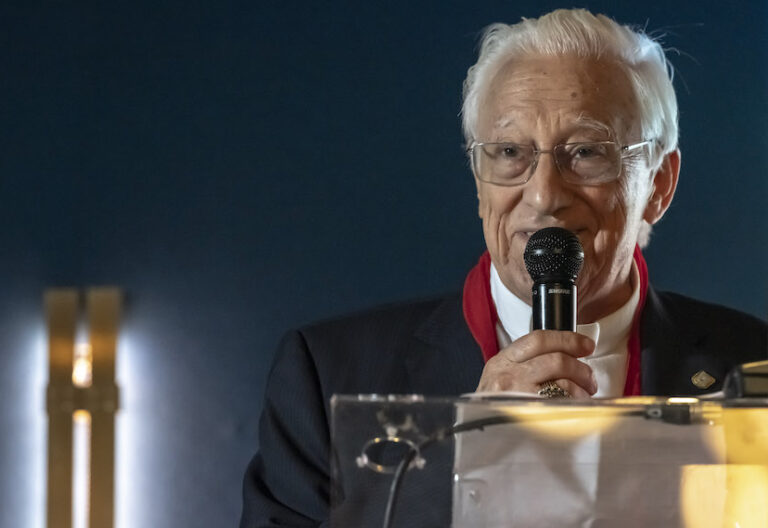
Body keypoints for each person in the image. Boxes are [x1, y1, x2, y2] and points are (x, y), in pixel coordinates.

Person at [240, 8, 767, 527]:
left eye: (586, 152)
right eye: (510, 151)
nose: (543, 195)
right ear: (478, 179)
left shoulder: (756, 365)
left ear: (658, 185)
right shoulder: (327, 376)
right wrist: (460, 467)